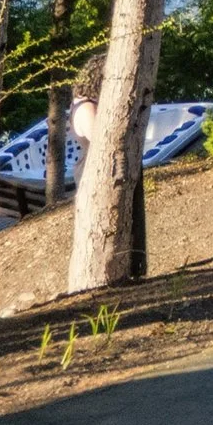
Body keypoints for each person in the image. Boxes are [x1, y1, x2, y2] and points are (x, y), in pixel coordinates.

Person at [69, 55, 146, 281]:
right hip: (95, 172)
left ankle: (132, 267)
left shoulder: (84, 103)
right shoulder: (87, 108)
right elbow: (102, 142)